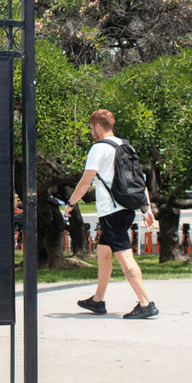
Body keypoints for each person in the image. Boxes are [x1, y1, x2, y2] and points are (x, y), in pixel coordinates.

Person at [65, 109, 158, 319]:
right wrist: (147, 208)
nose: (91, 133)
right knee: (103, 252)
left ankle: (146, 302)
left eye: (91, 128)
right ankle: (98, 301)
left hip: (111, 212)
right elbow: (139, 181)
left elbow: (85, 181)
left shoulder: (98, 149)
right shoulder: (126, 146)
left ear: (97, 126)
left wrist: (71, 203)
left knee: (125, 257)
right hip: (126, 209)